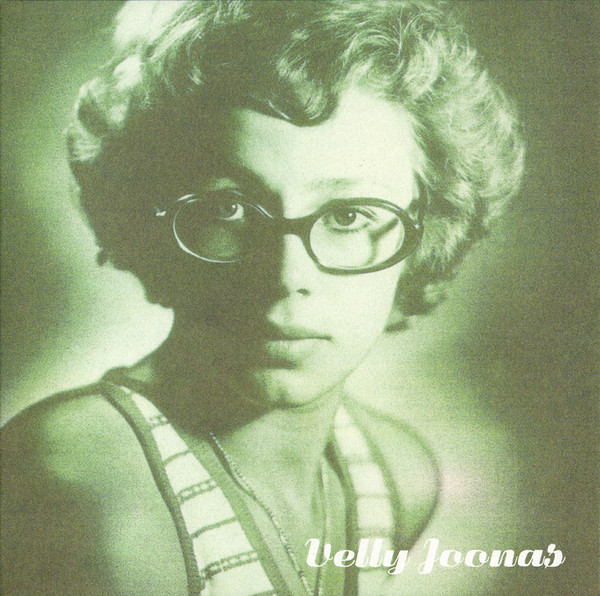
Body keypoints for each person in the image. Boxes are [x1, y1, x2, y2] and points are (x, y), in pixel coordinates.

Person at [1, 1, 524, 594]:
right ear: (149, 225)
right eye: (229, 209)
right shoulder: (70, 478)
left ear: (426, 237)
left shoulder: (396, 477)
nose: (284, 275)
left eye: (349, 216)